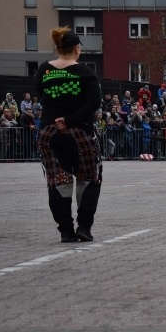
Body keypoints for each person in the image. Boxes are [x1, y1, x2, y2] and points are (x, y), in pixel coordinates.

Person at [35, 27, 103, 243]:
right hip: (80, 132)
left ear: (57, 48)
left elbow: (42, 96)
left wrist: (58, 119)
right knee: (89, 178)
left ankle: (65, 230)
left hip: (49, 132)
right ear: (77, 48)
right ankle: (84, 227)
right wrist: (70, 120)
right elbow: (93, 103)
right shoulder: (85, 72)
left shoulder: (43, 70)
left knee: (57, 179)